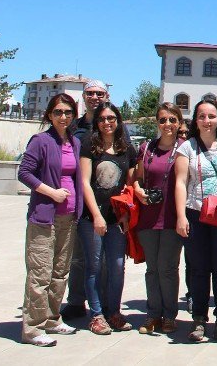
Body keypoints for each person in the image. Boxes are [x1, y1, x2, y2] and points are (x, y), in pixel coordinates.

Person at [174, 98, 217, 343]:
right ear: (196, 120)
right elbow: (181, 182)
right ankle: (199, 319)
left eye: (211, 116)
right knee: (199, 269)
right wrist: (181, 215)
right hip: (195, 212)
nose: (207, 121)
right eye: (202, 116)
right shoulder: (187, 147)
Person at [18, 93, 84, 347]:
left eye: (68, 112)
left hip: (69, 217)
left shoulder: (74, 142)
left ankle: (52, 318)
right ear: (49, 114)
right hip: (44, 218)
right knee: (40, 273)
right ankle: (32, 329)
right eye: (58, 112)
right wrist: (50, 192)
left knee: (60, 272)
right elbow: (24, 172)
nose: (63, 116)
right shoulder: (41, 141)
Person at [77, 102, 137, 335]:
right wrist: (96, 216)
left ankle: (114, 311)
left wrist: (125, 214)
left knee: (117, 266)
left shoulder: (126, 149)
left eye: (111, 118)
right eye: (102, 119)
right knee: (94, 266)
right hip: (92, 217)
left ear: (118, 120)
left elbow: (130, 185)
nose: (107, 122)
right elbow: (84, 182)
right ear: (97, 122)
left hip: (116, 219)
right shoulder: (88, 145)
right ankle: (96, 314)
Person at [61, 79, 111, 321]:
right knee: (78, 256)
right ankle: (75, 300)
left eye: (99, 93)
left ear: (107, 96)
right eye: (90, 93)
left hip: (105, 200)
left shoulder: (113, 125)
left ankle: (100, 304)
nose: (94, 97)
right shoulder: (73, 127)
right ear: (83, 97)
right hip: (77, 198)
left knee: (103, 259)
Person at [134, 102, 184, 335]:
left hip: (173, 217)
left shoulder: (185, 148)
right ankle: (153, 314)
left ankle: (170, 315)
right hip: (148, 216)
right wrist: (138, 191)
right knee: (152, 269)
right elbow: (136, 177)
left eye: (172, 120)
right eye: (163, 120)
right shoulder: (147, 148)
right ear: (157, 122)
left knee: (168, 268)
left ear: (179, 123)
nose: (167, 124)